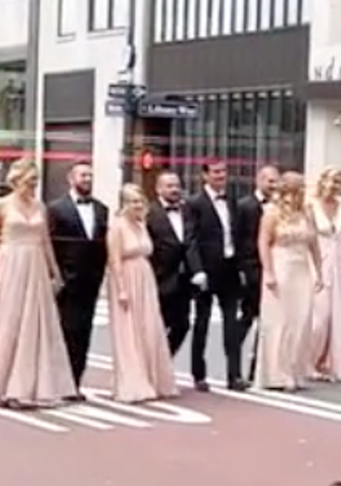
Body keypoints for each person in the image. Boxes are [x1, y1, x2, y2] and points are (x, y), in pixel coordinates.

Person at [0, 160, 76, 408]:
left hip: (34, 265)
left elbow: (45, 242)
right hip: (10, 262)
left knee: (35, 323)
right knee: (7, 321)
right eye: (29, 181)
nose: (33, 185)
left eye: (35, 181)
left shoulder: (39, 206)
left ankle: (28, 386)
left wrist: (54, 272)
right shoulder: (0, 206)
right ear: (17, 181)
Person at [105, 184, 179, 403]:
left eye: (140, 201)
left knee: (148, 327)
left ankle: (152, 377)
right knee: (128, 330)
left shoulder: (142, 224)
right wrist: (121, 289)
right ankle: (131, 381)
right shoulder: (117, 227)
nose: (137, 205)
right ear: (124, 204)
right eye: (133, 201)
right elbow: (114, 259)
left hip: (145, 277)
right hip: (126, 277)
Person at [254, 171, 324, 392]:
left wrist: (319, 271)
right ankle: (276, 373)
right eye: (298, 187)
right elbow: (263, 243)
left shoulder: (307, 213)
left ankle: (295, 369)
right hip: (281, 264)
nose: (302, 191)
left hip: (301, 267)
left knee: (301, 321)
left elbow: (314, 244)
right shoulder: (272, 213)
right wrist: (269, 272)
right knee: (279, 322)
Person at [48, 161, 109, 398]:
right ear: (70, 178)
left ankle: (75, 383)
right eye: (83, 175)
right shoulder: (55, 209)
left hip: (90, 282)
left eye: (90, 176)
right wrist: (55, 277)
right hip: (66, 282)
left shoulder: (102, 209)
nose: (87, 179)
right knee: (64, 333)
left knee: (83, 333)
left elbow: (103, 244)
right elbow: (50, 245)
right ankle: (58, 382)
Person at [184, 158, 246, 391]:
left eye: (223, 172)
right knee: (202, 323)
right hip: (207, 271)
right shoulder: (194, 203)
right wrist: (197, 270)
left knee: (232, 323)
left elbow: (236, 234)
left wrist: (240, 267)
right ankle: (199, 375)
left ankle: (235, 375)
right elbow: (190, 239)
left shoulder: (232, 200)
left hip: (229, 268)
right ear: (205, 175)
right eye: (216, 172)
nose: (221, 176)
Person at [307, 167, 341, 381]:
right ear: (323, 181)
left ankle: (325, 361)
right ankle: (308, 360)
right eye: (333, 181)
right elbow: (308, 236)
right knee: (319, 316)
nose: (335, 186)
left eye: (339, 182)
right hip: (319, 259)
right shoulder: (311, 205)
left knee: (335, 315)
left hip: (338, 261)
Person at [237, 165, 281, 380]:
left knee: (268, 320)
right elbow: (239, 239)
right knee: (248, 316)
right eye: (270, 181)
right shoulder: (244, 206)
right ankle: (234, 359)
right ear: (259, 181)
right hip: (251, 268)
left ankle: (259, 368)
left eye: (276, 181)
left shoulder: (282, 208)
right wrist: (241, 270)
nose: (273, 186)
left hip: (275, 268)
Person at [147, 170, 192, 356]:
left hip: (183, 281)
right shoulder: (150, 213)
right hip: (160, 279)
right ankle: (152, 364)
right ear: (158, 189)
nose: (175, 190)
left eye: (177, 186)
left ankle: (163, 360)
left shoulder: (188, 211)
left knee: (182, 325)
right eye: (169, 186)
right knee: (156, 327)